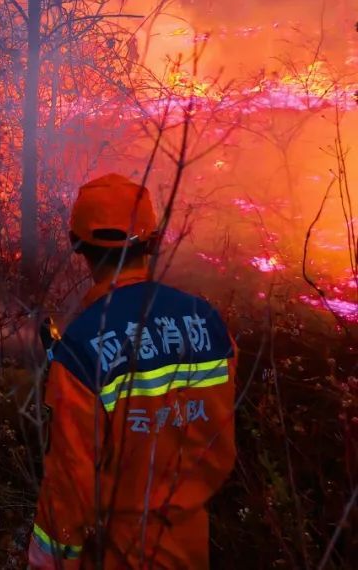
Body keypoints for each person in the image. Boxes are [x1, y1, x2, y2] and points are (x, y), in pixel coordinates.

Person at [29, 174, 237, 569]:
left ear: (78, 246)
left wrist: (47, 559)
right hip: (192, 546)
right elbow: (216, 436)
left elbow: (70, 482)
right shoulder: (208, 323)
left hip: (118, 554)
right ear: (154, 243)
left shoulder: (81, 349)